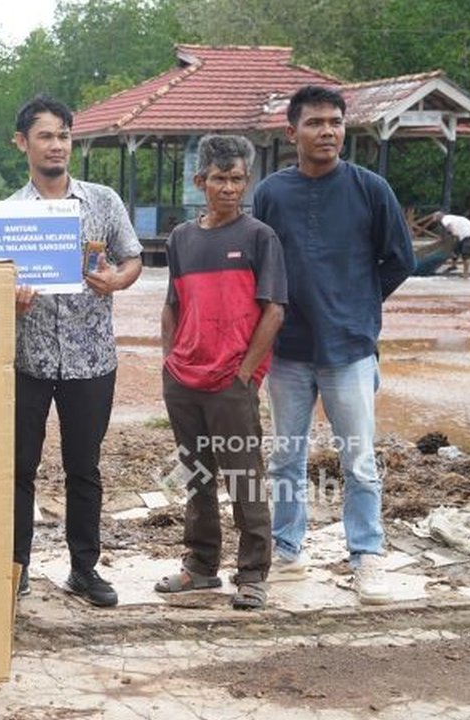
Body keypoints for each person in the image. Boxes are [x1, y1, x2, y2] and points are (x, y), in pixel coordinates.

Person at [252, 85, 415, 604]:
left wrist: (359, 306)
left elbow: (400, 259)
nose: (328, 131)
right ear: (291, 132)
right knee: (286, 460)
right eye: (316, 122)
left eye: (336, 122)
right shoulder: (272, 193)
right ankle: (287, 551)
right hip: (289, 349)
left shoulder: (370, 189)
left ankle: (366, 557)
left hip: (350, 350)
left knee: (360, 460)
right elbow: (261, 266)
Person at [10, 94, 143, 608]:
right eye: (45, 135)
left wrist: (116, 280)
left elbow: (131, 260)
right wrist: (11, 295)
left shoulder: (103, 201)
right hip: (29, 361)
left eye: (63, 135)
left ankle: (84, 569)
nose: (56, 145)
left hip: (91, 359)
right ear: (23, 143)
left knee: (84, 467)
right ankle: (16, 569)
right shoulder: (8, 215)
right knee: (20, 467)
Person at [154, 135, 287, 610]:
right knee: (196, 477)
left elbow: (274, 311)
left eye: (236, 179)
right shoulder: (182, 239)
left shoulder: (259, 237)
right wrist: (171, 361)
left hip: (232, 382)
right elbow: (172, 304)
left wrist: (246, 374)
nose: (229, 188)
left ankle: (252, 574)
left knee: (244, 478)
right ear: (200, 182)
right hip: (184, 380)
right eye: (219, 179)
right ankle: (201, 568)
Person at [436, 211, 470, 279]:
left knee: (466, 254)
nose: (434, 220)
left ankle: (466, 274)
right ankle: (454, 266)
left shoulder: (444, 219)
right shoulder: (449, 217)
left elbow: (449, 226)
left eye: (434, 218)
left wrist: (453, 233)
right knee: (455, 249)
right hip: (464, 234)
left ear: (438, 217)